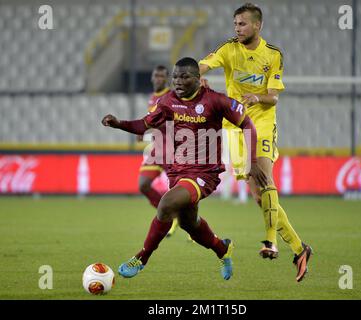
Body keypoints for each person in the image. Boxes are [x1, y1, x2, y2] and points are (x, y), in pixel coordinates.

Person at [102, 57, 267, 280]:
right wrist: (119, 123)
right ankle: (222, 249)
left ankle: (141, 258)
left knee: (166, 204)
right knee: (189, 224)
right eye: (175, 77)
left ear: (198, 80)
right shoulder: (168, 101)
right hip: (177, 171)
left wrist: (253, 162)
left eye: (184, 76)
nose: (178, 81)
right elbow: (145, 124)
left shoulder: (215, 100)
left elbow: (247, 123)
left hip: (204, 173)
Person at [199, 3, 312, 282]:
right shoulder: (229, 49)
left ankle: (271, 241)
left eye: (242, 24)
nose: (237, 29)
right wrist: (198, 73)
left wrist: (256, 97)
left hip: (261, 122)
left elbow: (273, 96)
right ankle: (300, 249)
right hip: (235, 126)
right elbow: (205, 62)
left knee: (264, 175)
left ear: (257, 26)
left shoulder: (272, 55)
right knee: (259, 196)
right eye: (235, 24)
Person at [137, 65, 178, 237]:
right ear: (152, 77)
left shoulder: (171, 97)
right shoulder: (153, 97)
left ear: (167, 78)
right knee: (143, 184)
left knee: (180, 190)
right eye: (156, 75)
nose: (158, 78)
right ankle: (170, 215)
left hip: (172, 149)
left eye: (162, 76)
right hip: (157, 149)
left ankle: (193, 224)